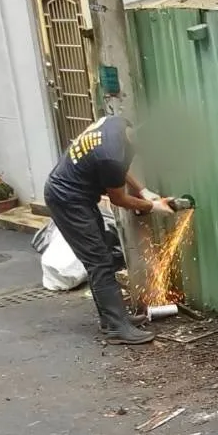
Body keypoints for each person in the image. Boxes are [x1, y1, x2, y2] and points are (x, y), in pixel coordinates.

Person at [43, 113, 173, 345]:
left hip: (77, 196)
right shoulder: (111, 157)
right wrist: (153, 206)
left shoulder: (118, 124)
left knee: (101, 254)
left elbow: (119, 168)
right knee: (99, 261)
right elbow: (119, 199)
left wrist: (143, 191)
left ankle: (112, 319)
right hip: (66, 199)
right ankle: (116, 328)